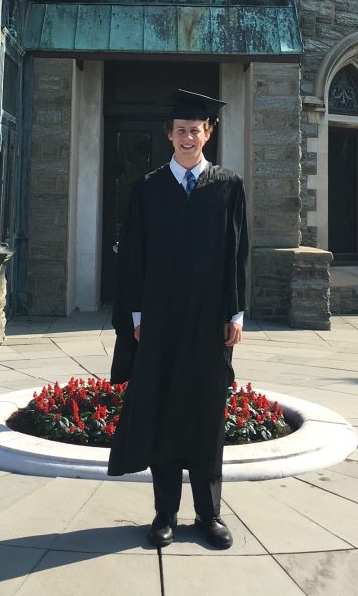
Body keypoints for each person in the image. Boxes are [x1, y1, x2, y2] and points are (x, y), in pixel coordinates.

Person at [107, 89, 249, 550]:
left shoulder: (228, 186)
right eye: (181, 130)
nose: (188, 137)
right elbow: (133, 258)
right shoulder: (148, 189)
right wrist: (137, 315)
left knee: (207, 415)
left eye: (196, 130)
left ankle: (209, 515)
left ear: (209, 133)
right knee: (165, 410)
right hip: (162, 322)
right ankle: (165, 514)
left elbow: (237, 253)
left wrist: (236, 312)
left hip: (209, 321)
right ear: (169, 135)